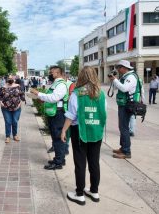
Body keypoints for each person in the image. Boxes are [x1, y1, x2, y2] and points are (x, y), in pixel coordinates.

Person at [61, 66, 107, 205]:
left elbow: (71, 115)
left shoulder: (77, 94)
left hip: (80, 132)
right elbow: (103, 113)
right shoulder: (101, 94)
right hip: (96, 131)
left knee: (80, 163)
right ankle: (94, 191)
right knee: (94, 162)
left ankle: (79, 194)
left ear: (81, 77)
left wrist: (63, 130)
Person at [30, 66, 68, 170]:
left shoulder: (61, 85)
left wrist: (38, 93)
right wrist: (41, 97)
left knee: (58, 138)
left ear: (57, 73)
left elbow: (54, 98)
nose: (50, 74)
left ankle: (58, 162)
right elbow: (49, 96)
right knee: (56, 138)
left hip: (58, 114)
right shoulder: (55, 83)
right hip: (54, 113)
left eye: (51, 73)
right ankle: (59, 158)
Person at [109, 60, 140, 159]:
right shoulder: (125, 76)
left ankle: (126, 151)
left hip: (128, 105)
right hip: (124, 104)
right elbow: (115, 89)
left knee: (124, 128)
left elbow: (124, 88)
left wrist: (115, 80)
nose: (118, 69)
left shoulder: (131, 77)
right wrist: (113, 80)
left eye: (119, 67)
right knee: (122, 127)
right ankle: (123, 148)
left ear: (125, 67)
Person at [0, 74, 25, 143]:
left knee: (15, 121)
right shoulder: (3, 87)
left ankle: (15, 135)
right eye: (9, 78)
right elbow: (0, 96)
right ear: (7, 79)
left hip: (17, 107)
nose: (10, 79)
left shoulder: (18, 86)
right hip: (5, 108)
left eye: (11, 78)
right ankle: (7, 136)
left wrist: (21, 102)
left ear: (14, 79)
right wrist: (0, 101)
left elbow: (22, 95)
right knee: (8, 122)